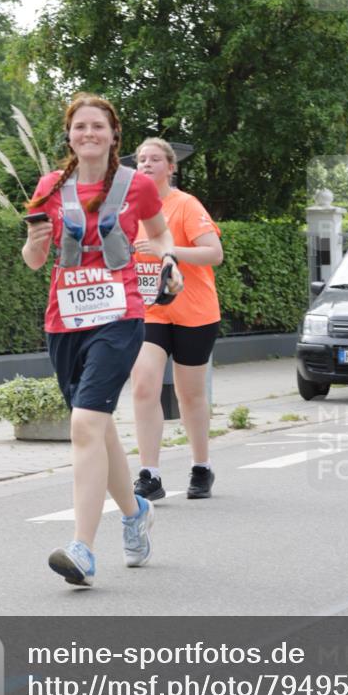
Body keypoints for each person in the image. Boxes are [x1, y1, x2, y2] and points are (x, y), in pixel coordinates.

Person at [22, 95, 183, 586]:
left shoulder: (137, 187)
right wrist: (36, 239)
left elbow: (158, 236)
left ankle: (83, 549)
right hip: (64, 322)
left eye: (98, 126)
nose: (88, 133)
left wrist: (169, 261)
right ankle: (135, 513)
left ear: (114, 135)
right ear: (69, 135)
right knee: (97, 427)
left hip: (120, 317)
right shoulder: (49, 187)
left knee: (87, 423)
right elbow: (33, 260)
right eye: (79, 127)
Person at [131, 138, 224, 500]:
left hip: (194, 311)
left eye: (155, 159)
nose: (147, 164)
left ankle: (201, 466)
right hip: (149, 310)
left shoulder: (185, 205)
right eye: (141, 160)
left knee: (190, 394)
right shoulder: (128, 210)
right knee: (143, 384)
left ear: (171, 167)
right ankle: (149, 474)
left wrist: (166, 251)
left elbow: (213, 253)